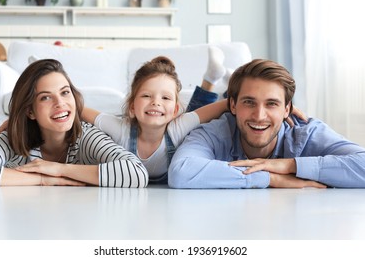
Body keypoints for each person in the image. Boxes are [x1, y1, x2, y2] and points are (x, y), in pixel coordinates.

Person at [81, 52, 306, 184]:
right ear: (131, 107)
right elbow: (82, 109)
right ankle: (214, 80)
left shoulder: (178, 126)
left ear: (175, 108)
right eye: (146, 96)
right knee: (198, 111)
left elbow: (222, 107)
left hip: (187, 117)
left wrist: (275, 107)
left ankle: (217, 80)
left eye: (165, 98)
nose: (155, 103)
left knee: (200, 112)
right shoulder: (120, 129)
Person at [168, 59, 365, 189]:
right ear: (233, 105)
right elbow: (180, 172)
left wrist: (289, 166)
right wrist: (270, 178)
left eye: (272, 104)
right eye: (249, 102)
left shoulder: (306, 132)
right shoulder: (216, 131)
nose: (259, 115)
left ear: (287, 109)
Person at [0, 59, 148, 187]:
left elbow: (137, 173)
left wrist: (59, 169)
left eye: (65, 93)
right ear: (30, 111)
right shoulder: (12, 140)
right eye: (46, 97)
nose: (60, 103)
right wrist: (42, 179)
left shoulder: (86, 136)